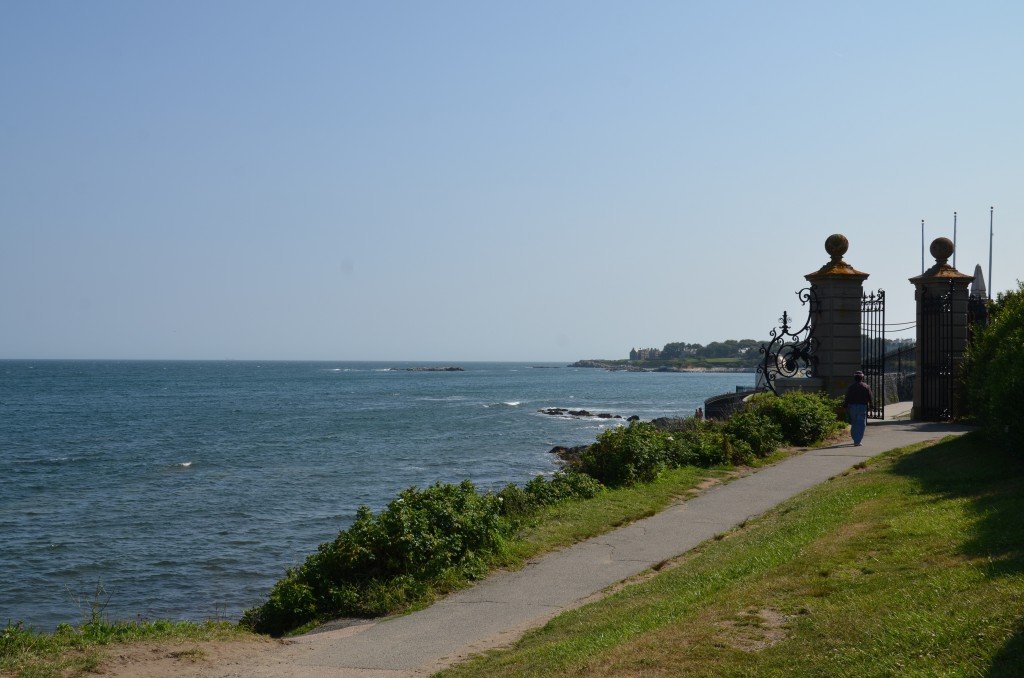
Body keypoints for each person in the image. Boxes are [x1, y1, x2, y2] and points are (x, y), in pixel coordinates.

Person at [844, 371, 873, 446]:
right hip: (862, 406)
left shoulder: (851, 387)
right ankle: (857, 441)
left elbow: (847, 397)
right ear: (862, 378)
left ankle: (854, 438)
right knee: (861, 424)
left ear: (854, 378)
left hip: (852, 406)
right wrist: (871, 405)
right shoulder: (866, 386)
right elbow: (870, 397)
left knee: (854, 423)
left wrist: (845, 406)